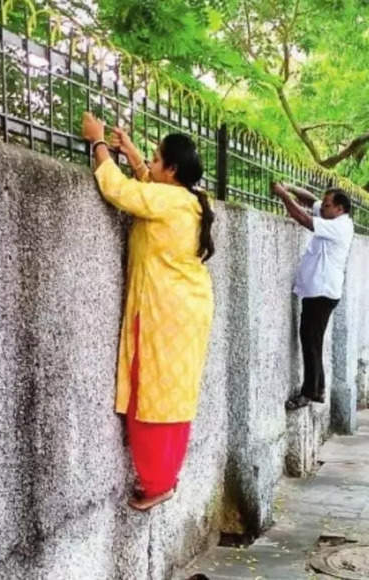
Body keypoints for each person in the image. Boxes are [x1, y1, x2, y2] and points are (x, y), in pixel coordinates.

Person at [81, 112, 216, 511]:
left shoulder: (171, 200)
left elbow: (119, 191)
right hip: (183, 310)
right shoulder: (184, 199)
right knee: (172, 396)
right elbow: (148, 190)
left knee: (152, 396)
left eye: (157, 160)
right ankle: (164, 478)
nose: (151, 166)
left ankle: (157, 483)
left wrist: (97, 143)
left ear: (172, 170)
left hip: (166, 313)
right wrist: (137, 157)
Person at [272, 182, 354, 411]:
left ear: (339, 209)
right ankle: (317, 388)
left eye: (327, 205)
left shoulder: (340, 226)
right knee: (312, 339)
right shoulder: (332, 217)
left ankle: (309, 392)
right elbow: (311, 201)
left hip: (322, 292)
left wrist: (283, 195)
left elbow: (304, 218)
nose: (322, 207)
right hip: (318, 291)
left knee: (310, 340)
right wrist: (291, 187)